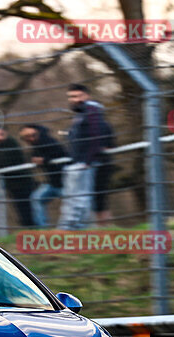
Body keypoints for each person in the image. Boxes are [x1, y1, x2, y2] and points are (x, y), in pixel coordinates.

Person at [59, 83, 114, 230]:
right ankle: (83, 229)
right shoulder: (80, 116)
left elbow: (98, 137)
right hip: (81, 162)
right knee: (82, 199)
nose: (74, 99)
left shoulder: (92, 111)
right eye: (71, 97)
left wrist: (87, 161)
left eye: (77, 96)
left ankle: (83, 229)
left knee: (88, 199)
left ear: (87, 96)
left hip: (89, 163)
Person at [19, 124, 69, 228]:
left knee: (72, 203)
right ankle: (43, 229)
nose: (30, 138)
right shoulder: (36, 144)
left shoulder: (48, 141)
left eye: (32, 135)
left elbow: (62, 154)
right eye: (26, 137)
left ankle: (68, 228)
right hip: (52, 183)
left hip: (65, 182)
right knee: (36, 198)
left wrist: (45, 160)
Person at [0, 127, 35, 228]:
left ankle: (32, 228)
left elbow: (5, 162)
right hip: (13, 184)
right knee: (21, 208)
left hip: (21, 182)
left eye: (0, 134)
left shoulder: (10, 143)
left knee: (27, 208)